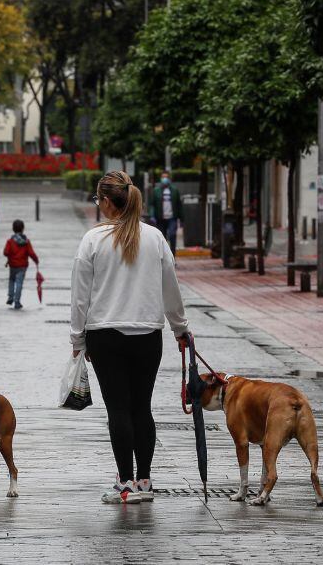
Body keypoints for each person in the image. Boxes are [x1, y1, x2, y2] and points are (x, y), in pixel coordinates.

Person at [71, 170, 190, 504]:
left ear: (108, 202)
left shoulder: (93, 240)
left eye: (99, 199)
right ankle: (145, 482)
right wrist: (181, 329)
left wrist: (77, 339)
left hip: (104, 336)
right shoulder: (155, 238)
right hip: (147, 336)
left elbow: (80, 297)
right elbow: (171, 289)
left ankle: (125, 483)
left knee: (118, 410)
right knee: (141, 408)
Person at [3, 219, 39, 310]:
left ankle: (10, 297)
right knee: (19, 283)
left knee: (11, 281)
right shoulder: (26, 242)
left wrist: (10, 256)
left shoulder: (10, 241)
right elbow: (31, 253)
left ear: (13, 229)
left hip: (12, 266)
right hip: (22, 266)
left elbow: (5, 252)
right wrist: (36, 260)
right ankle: (17, 302)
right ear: (23, 229)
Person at [147, 171, 183, 255]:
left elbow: (179, 205)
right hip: (160, 218)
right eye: (163, 177)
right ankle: (163, 256)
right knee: (162, 238)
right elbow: (152, 204)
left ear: (169, 179)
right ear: (161, 178)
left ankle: (173, 256)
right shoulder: (156, 190)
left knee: (172, 235)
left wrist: (181, 219)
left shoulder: (174, 190)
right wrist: (152, 216)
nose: (165, 179)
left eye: (166, 177)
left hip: (172, 218)